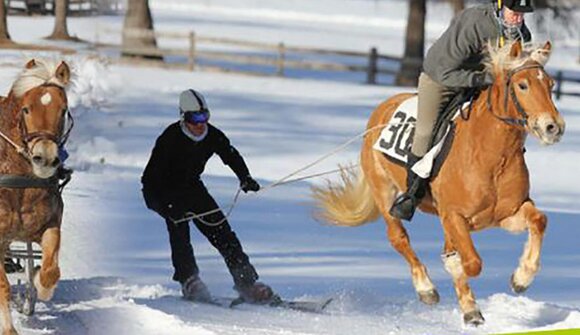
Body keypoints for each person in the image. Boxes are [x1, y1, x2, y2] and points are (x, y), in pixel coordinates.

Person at [389, 0, 534, 221]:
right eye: (514, 12)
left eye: (522, 13)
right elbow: (446, 70)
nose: (518, 18)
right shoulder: (474, 23)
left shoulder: (522, 36)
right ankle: (412, 194)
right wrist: (483, 78)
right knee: (426, 131)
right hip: (441, 80)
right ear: (499, 6)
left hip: (481, 84)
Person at [141, 89, 274, 304]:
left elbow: (230, 154)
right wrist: (163, 206)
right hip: (167, 192)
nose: (201, 123)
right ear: (184, 117)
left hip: (194, 189)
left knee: (224, 234)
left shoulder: (211, 135)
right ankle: (188, 280)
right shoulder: (170, 138)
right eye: (195, 118)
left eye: (205, 117)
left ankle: (246, 283)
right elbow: (148, 181)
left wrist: (245, 177)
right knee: (180, 235)